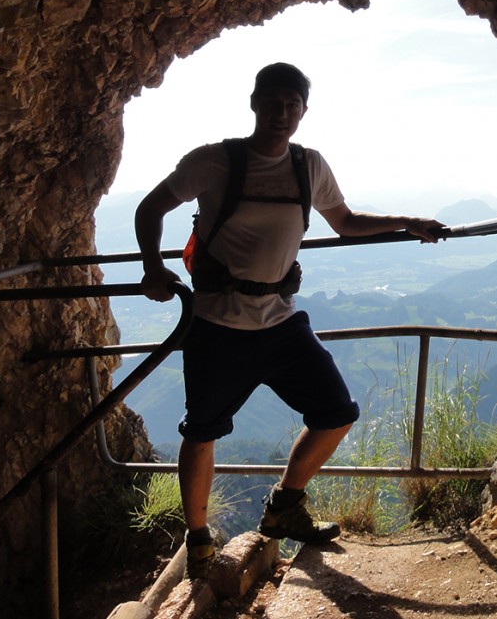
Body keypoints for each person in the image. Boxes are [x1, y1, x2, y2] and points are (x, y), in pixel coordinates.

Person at [135, 62, 445, 579]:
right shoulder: (213, 161)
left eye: (292, 104)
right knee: (202, 432)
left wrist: (406, 221)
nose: (282, 113)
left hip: (279, 321)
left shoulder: (309, 166)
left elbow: (344, 222)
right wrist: (151, 267)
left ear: (303, 110)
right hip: (216, 325)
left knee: (336, 412)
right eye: (273, 102)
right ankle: (198, 538)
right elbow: (151, 208)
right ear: (254, 103)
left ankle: (285, 506)